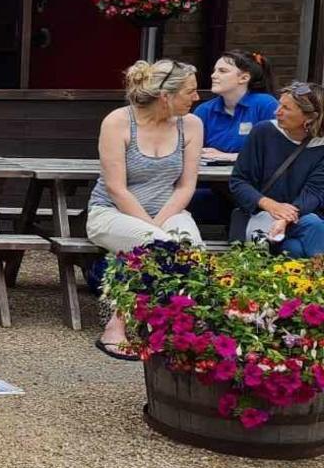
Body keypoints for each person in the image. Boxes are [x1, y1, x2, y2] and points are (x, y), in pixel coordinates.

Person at [89, 59, 203, 359]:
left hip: (168, 210)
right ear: (166, 96)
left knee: (190, 250)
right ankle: (115, 326)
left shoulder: (192, 125)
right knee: (159, 247)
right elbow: (117, 188)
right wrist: (153, 231)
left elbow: (185, 186)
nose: (197, 98)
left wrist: (160, 223)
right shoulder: (118, 121)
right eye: (190, 91)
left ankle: (170, 327)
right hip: (111, 213)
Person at [227, 83, 324, 257]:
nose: (277, 111)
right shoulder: (263, 132)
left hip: (299, 218)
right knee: (308, 231)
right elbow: (239, 182)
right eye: (280, 105)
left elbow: (314, 193)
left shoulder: (320, 146)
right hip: (259, 216)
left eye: (286, 108)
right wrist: (270, 205)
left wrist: (285, 218)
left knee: (297, 247)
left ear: (309, 117)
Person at [194, 50, 278, 162]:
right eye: (214, 71)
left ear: (244, 78)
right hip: (209, 176)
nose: (213, 75)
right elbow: (192, 152)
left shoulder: (266, 104)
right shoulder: (204, 110)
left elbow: (276, 151)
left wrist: (229, 156)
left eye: (222, 71)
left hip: (254, 178)